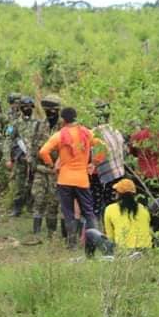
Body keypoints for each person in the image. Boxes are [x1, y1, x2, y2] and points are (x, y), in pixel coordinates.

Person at [39, 107, 104, 249]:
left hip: (65, 179)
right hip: (82, 179)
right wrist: (94, 163)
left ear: (63, 119)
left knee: (68, 212)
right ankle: (95, 242)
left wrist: (51, 165)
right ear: (76, 118)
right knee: (88, 212)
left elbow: (43, 151)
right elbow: (103, 147)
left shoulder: (60, 135)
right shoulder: (87, 133)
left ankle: (72, 243)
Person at [84, 178, 152, 257]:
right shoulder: (143, 209)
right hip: (145, 251)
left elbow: (110, 237)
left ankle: (90, 259)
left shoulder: (110, 209)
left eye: (116, 191)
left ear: (119, 194)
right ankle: (136, 255)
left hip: (123, 251)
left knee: (90, 232)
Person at [30, 95, 62, 236]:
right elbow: (32, 149)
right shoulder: (38, 125)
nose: (51, 113)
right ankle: (36, 232)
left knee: (53, 202)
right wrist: (33, 165)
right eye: (48, 110)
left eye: (53, 110)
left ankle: (51, 232)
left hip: (57, 171)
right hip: (41, 170)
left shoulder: (64, 127)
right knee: (38, 199)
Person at [91, 101, 126, 220]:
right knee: (113, 206)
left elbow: (92, 157)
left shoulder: (94, 133)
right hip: (119, 173)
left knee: (96, 205)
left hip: (101, 176)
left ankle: (97, 233)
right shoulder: (116, 131)